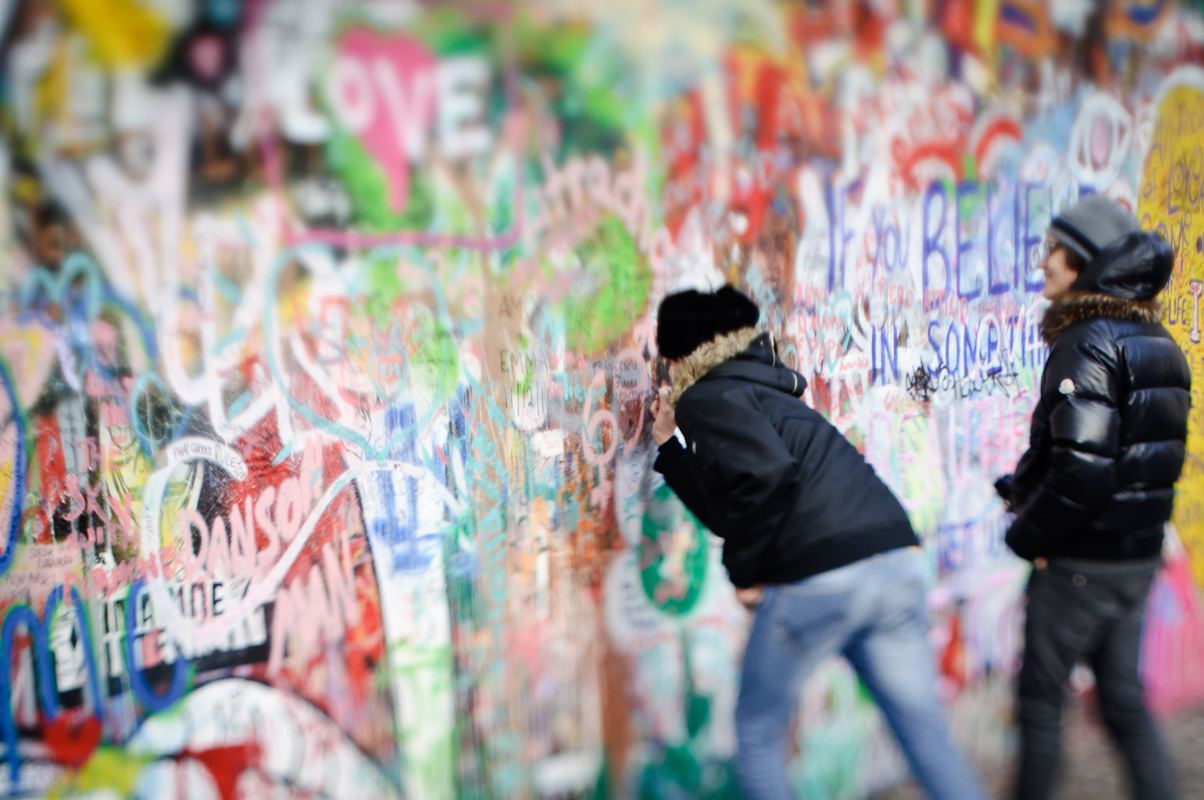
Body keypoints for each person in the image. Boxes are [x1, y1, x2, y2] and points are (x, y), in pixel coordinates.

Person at [649, 285, 987, 800]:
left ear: (680, 354)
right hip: (894, 559)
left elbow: (763, 479)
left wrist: (745, 574)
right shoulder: (767, 393)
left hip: (823, 577)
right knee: (925, 737)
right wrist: (671, 450)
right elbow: (738, 499)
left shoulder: (707, 395)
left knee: (758, 733)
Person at [995, 195, 1189, 800]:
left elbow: (1083, 473)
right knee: (1124, 702)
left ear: (1082, 264)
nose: (1044, 261)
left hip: (1082, 563)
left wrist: (1027, 537)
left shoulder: (1087, 342)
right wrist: (1023, 487)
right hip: (1135, 557)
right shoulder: (1156, 339)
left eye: (1055, 249)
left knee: (1040, 704)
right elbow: (1124, 457)